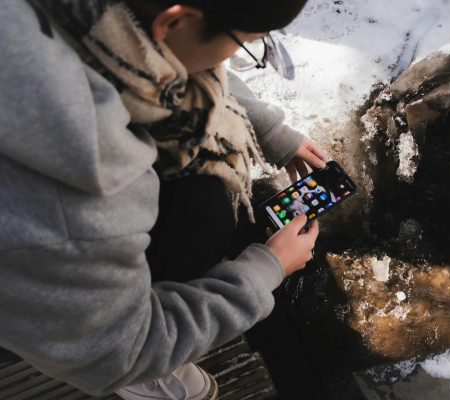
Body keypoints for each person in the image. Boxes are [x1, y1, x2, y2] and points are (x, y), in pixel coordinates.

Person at [0, 0, 326, 399]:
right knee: (207, 210)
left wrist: (269, 129)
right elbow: (121, 349)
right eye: (244, 43)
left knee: (204, 191)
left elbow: (175, 57)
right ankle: (141, 382)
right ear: (175, 20)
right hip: (48, 313)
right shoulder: (83, 191)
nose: (233, 57)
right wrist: (267, 269)